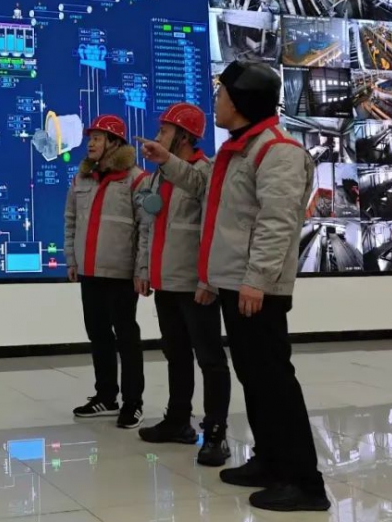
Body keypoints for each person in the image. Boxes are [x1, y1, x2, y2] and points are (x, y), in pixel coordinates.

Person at [139, 61, 329, 513]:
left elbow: (277, 223)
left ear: (242, 102)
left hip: (256, 290)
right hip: (234, 285)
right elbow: (203, 189)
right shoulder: (237, 151)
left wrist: (256, 280)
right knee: (254, 379)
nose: (216, 102)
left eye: (222, 94)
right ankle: (270, 462)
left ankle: (305, 483)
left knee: (274, 381)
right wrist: (167, 161)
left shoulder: (277, 151)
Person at [134, 103, 231, 467]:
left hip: (196, 285)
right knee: (175, 354)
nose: (157, 136)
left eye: (164, 131)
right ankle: (178, 421)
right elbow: (149, 225)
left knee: (210, 359)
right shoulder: (159, 176)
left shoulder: (206, 172)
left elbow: (212, 229)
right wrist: (145, 269)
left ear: (185, 137)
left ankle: (216, 432)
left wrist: (209, 280)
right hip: (166, 282)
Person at [64, 115, 148, 429]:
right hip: (89, 271)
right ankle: (106, 396)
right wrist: (72, 259)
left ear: (114, 143)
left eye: (98, 138)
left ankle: (133, 402)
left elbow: (146, 228)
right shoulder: (82, 178)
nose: (91, 143)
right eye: (91, 138)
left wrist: (142, 268)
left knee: (126, 337)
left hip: (121, 273)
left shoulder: (137, 180)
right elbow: (70, 220)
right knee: (98, 334)